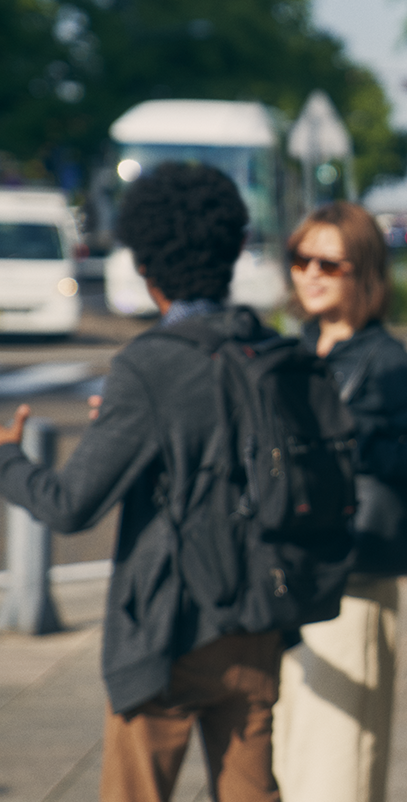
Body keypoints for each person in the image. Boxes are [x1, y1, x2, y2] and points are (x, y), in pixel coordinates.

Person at [0, 162, 287, 801]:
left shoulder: (149, 365)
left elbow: (71, 504)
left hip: (168, 631)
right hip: (258, 622)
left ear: (146, 260)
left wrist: (9, 461)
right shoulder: (266, 350)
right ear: (234, 249)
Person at [271, 201, 407, 802]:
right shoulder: (298, 348)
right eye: (301, 259)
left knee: (338, 761)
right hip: (293, 573)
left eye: (329, 261)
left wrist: (357, 444)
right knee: (290, 746)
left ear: (365, 274)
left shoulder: (385, 359)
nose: (311, 274)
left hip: (355, 580)